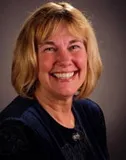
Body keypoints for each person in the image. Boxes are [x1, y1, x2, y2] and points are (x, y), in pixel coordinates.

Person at [0, 2, 109, 159]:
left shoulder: (91, 113)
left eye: (74, 47)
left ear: (88, 55)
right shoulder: (14, 130)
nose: (64, 60)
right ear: (30, 59)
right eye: (49, 49)